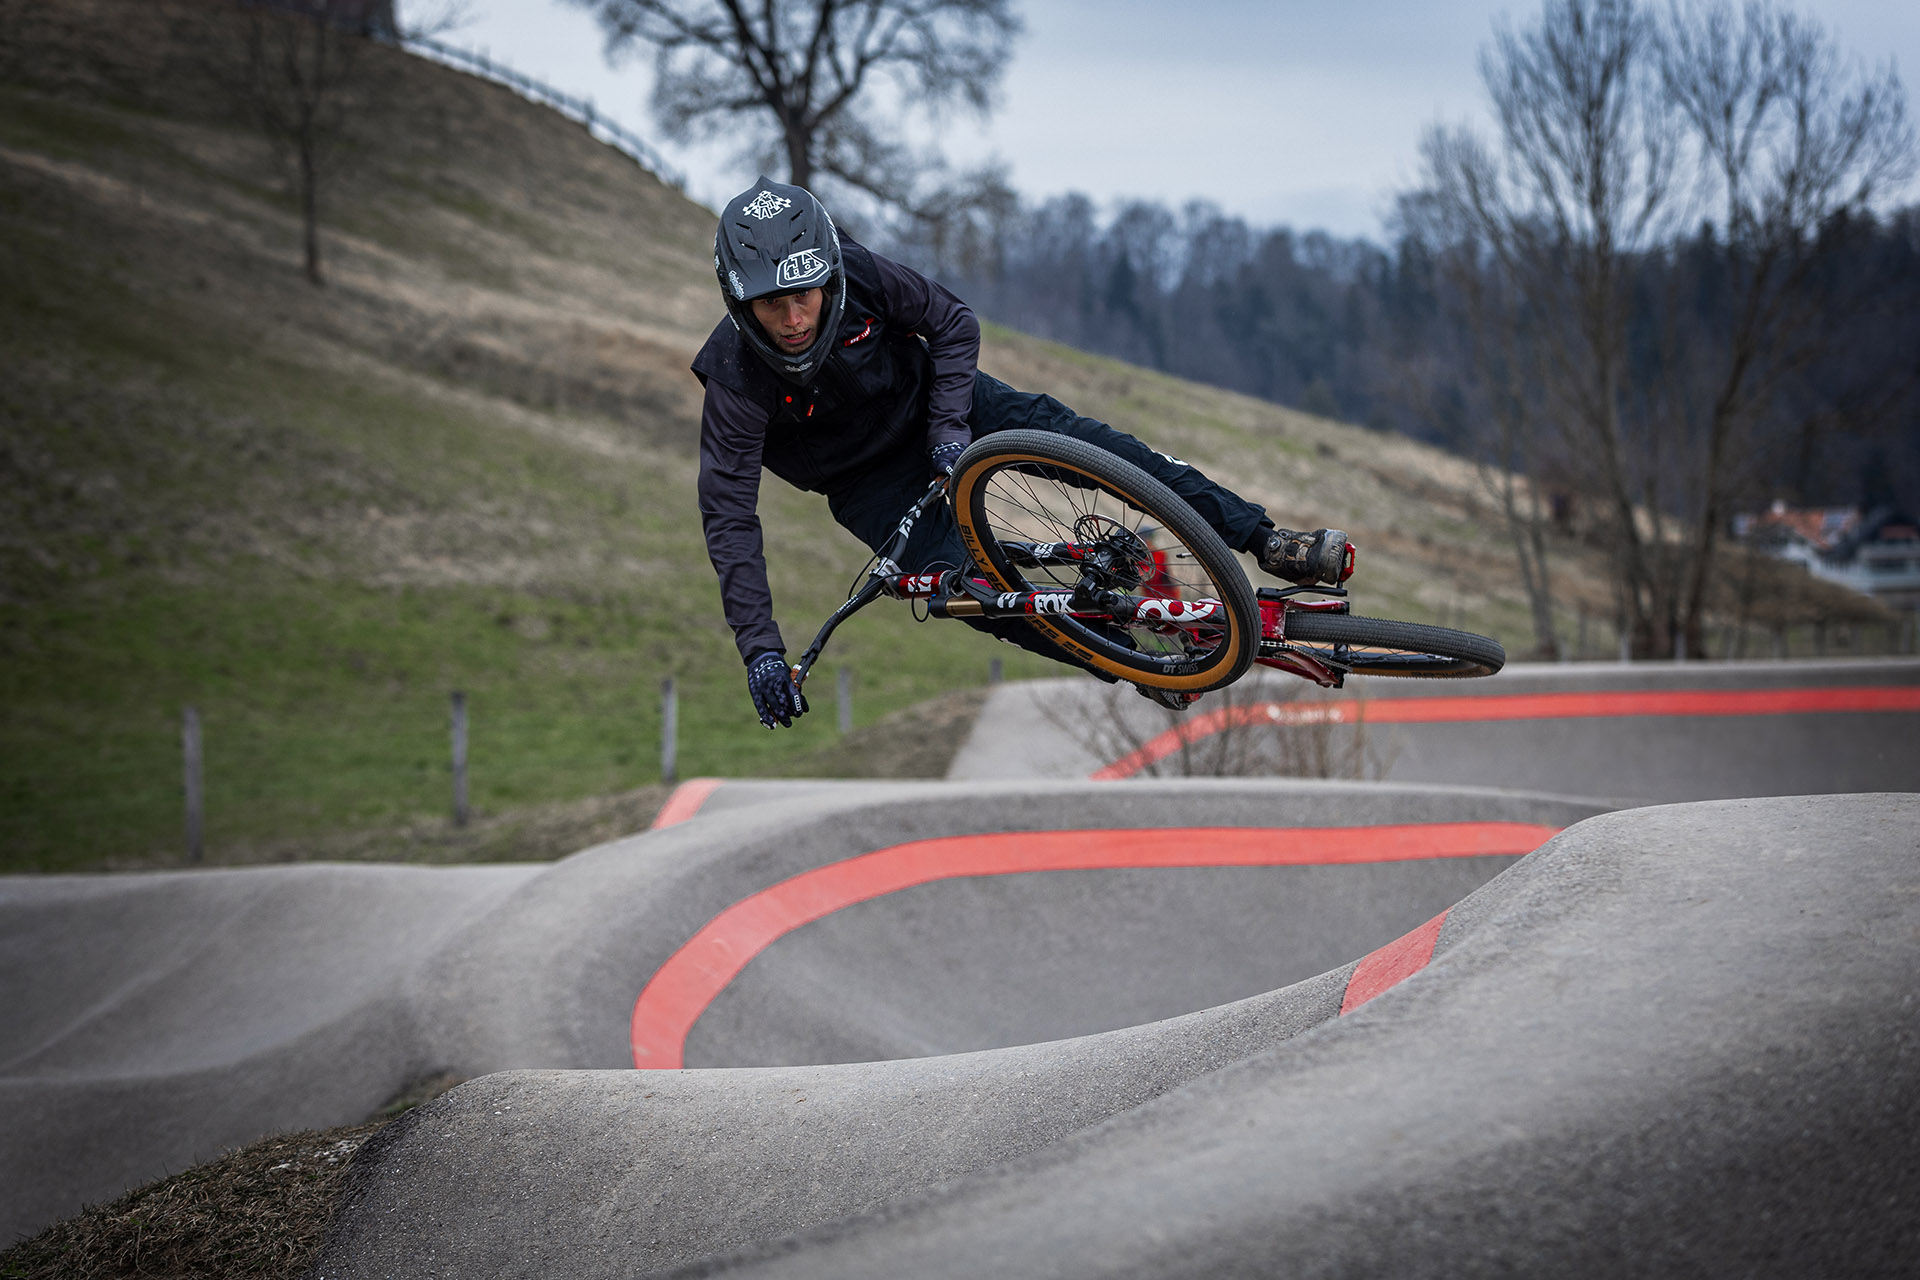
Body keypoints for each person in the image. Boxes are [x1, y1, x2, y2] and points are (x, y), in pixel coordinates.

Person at [694, 177, 1354, 729]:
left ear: (828, 278)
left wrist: (949, 428)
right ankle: (1129, 659)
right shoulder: (735, 380)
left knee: (1088, 442)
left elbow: (950, 321)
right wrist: (762, 654)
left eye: (802, 296)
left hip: (942, 406)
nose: (793, 319)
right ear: (739, 302)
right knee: (973, 592)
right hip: (867, 483)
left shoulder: (857, 274)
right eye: (770, 305)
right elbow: (729, 519)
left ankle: (1267, 539)